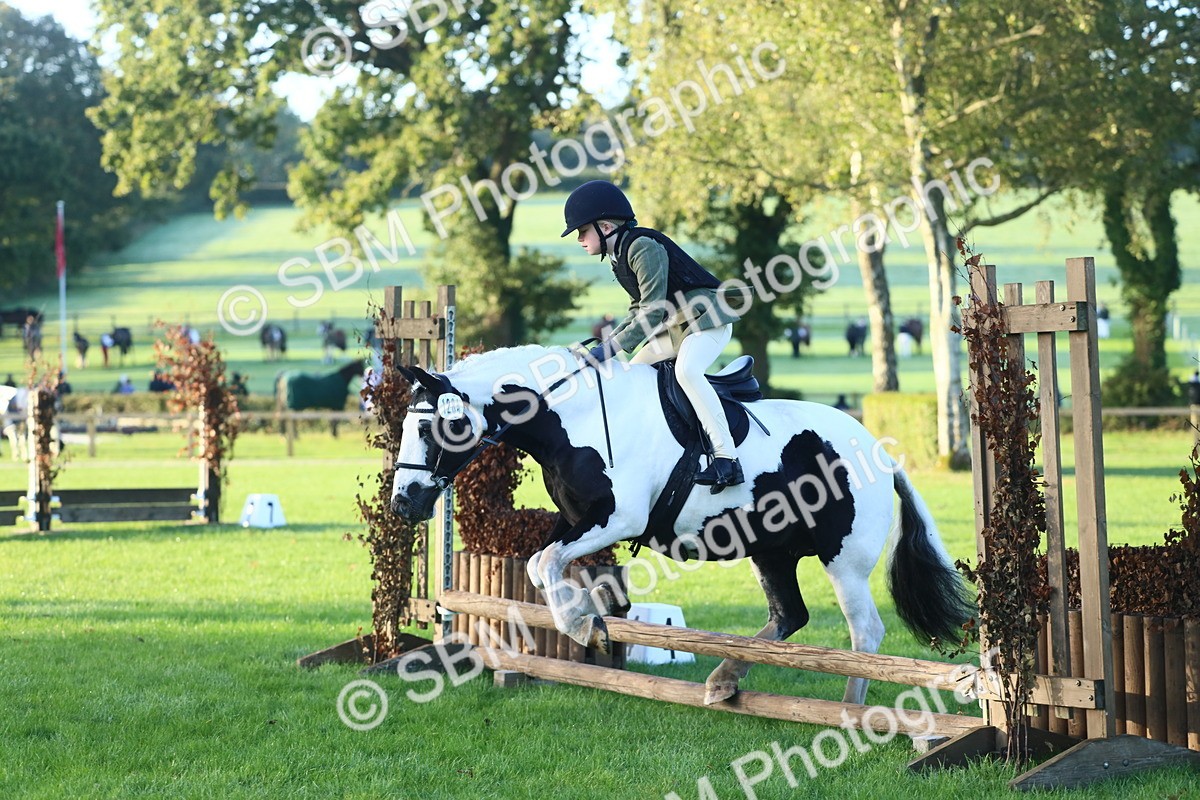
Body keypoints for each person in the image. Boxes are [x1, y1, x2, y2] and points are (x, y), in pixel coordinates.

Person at [561, 180, 749, 492]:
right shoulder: (620, 253)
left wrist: (608, 351)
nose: (579, 239)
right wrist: (608, 346)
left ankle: (727, 458)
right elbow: (638, 309)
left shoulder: (642, 247)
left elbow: (651, 311)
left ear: (605, 226)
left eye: (582, 231)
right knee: (633, 376)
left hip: (708, 320)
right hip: (677, 327)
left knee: (687, 372)